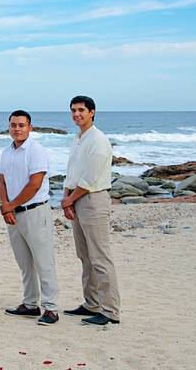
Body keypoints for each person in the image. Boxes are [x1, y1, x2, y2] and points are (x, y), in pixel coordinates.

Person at [61, 95, 121, 326]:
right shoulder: (78, 138)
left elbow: (89, 178)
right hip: (77, 199)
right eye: (73, 110)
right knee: (84, 255)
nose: (77, 114)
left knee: (100, 257)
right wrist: (66, 197)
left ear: (92, 112)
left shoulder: (98, 140)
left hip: (93, 200)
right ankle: (91, 303)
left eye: (81, 110)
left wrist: (70, 200)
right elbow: (72, 172)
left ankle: (110, 310)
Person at [0, 110, 60, 326]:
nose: (17, 128)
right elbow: (2, 181)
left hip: (34, 211)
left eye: (21, 125)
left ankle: (51, 308)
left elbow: (35, 183)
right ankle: (30, 303)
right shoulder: (7, 152)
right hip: (14, 214)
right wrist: (6, 207)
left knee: (44, 261)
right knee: (24, 262)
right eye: (13, 125)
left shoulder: (36, 150)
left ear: (30, 127)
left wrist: (11, 205)